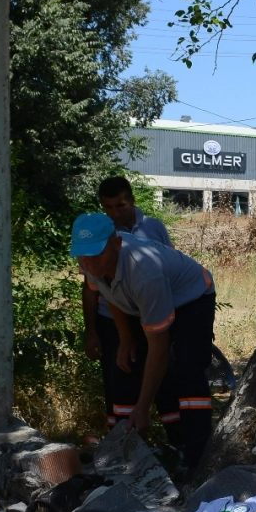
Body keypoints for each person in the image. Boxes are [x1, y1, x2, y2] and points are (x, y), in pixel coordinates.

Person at [71, 213, 218, 469]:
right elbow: (112, 293)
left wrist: (143, 407)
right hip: (143, 301)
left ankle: (196, 458)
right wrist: (126, 339)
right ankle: (132, 454)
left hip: (192, 296)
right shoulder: (91, 264)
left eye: (96, 254)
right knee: (128, 361)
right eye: (83, 255)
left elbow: (159, 346)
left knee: (187, 367)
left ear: (116, 244)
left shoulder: (144, 273)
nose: (89, 263)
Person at [83, 177, 173, 429]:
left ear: (132, 200)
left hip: (148, 314)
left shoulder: (154, 228)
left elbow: (166, 270)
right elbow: (90, 288)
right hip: (111, 320)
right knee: (119, 380)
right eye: (108, 208)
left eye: (120, 206)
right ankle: (121, 442)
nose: (114, 213)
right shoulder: (101, 232)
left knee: (163, 376)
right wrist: (91, 332)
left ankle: (172, 442)